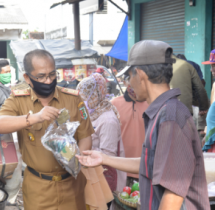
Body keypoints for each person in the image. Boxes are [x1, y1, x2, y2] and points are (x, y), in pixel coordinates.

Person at [76, 40, 210, 210]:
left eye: (130, 76)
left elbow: (174, 193)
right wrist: (104, 158)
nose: (130, 83)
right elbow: (152, 163)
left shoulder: (170, 117)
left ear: (139, 75)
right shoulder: (162, 112)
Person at [0, 49, 94, 210]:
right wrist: (35, 118)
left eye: (52, 75)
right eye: (41, 77)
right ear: (27, 78)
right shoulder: (19, 100)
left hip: (72, 185)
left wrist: (76, 162)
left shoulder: (73, 99)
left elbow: (86, 136)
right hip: (38, 188)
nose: (48, 81)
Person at [77, 73, 126, 209]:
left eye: (86, 96)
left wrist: (82, 149)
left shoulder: (107, 120)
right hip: (94, 174)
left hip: (106, 176)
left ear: (96, 95)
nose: (83, 101)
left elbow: (108, 155)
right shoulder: (91, 114)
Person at [111, 76, 148, 186]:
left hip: (145, 166)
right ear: (125, 82)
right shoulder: (114, 104)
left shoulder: (151, 104)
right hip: (121, 166)